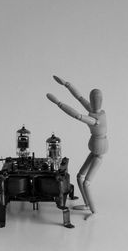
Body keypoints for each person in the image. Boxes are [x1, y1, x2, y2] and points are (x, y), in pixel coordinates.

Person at [47, 75, 108, 219]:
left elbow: (78, 116)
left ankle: (93, 211)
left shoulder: (96, 120)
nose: (92, 102)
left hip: (98, 152)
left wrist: (58, 103)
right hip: (94, 150)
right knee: (79, 176)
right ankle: (87, 204)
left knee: (86, 182)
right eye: (92, 99)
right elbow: (79, 97)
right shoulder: (97, 111)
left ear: (98, 101)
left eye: (94, 100)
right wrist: (66, 84)